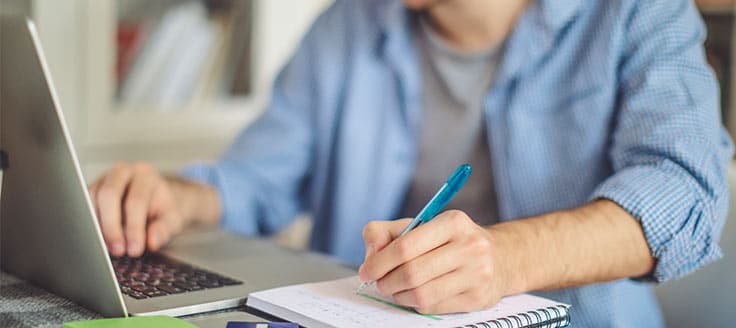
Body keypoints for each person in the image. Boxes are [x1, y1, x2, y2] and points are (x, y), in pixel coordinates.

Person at [88, 0, 733, 326]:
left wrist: (506, 258)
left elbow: (686, 191)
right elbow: (258, 176)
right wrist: (174, 197)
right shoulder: (350, 22)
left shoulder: (637, 13)